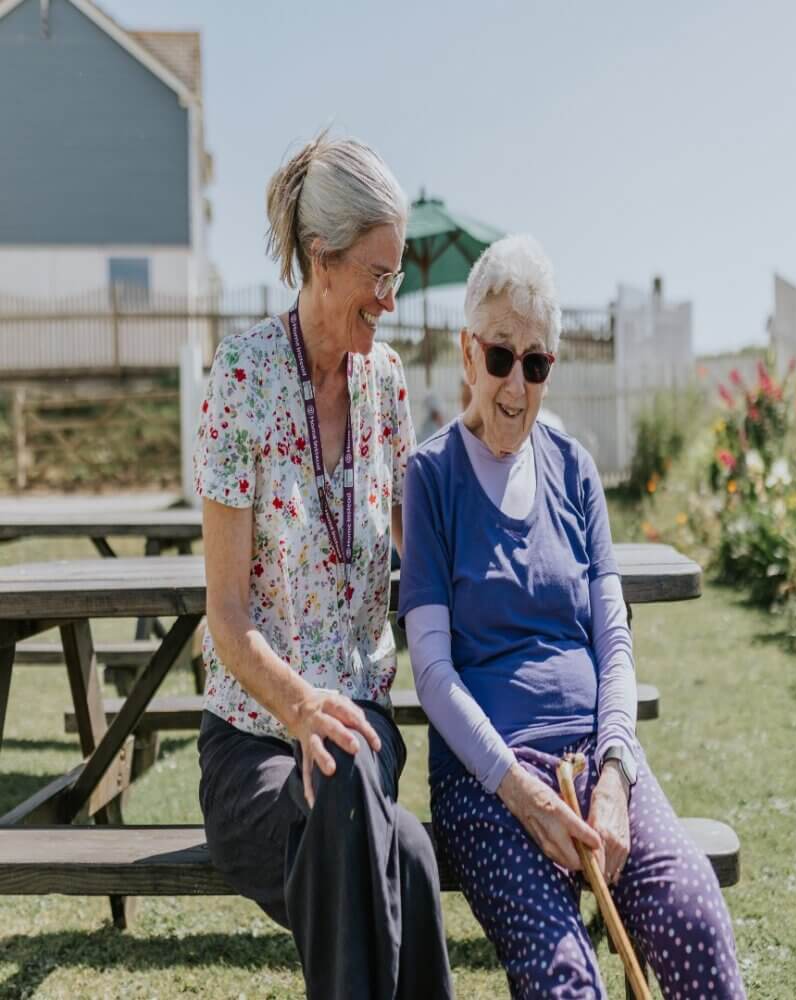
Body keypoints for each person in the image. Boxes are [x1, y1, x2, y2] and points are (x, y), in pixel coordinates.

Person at [399, 235, 745, 999]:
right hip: (490, 782)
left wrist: (616, 771)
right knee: (565, 979)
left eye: (536, 362)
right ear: (467, 353)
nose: (516, 384)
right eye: (499, 357)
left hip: (599, 758)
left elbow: (613, 641)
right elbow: (431, 671)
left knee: (693, 915)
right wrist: (520, 790)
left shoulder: (576, 467)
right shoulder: (430, 478)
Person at [194, 133, 453, 1000]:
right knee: (404, 856)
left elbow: (422, 554)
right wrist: (303, 709)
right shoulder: (241, 378)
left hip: (363, 742)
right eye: (378, 275)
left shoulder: (387, 384)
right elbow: (228, 621)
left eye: (398, 273)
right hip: (253, 752)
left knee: (350, 786)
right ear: (321, 260)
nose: (392, 297)